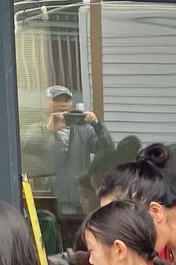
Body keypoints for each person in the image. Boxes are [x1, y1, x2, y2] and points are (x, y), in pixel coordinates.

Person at [23, 85, 112, 231]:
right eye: (57, 99)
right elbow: (26, 148)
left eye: (66, 99)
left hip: (81, 202)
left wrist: (97, 125)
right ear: (47, 103)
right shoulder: (38, 128)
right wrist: (47, 130)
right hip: (52, 202)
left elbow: (106, 150)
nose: (62, 103)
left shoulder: (84, 129)